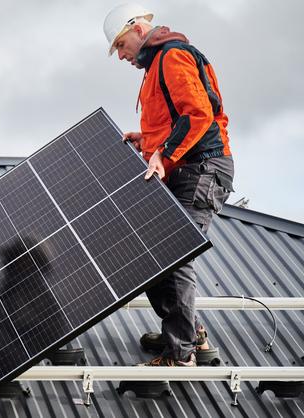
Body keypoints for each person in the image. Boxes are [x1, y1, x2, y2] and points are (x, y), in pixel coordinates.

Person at [104, 4, 235, 366]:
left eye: (120, 46)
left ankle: (181, 353)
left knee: (174, 255)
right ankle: (191, 333)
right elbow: (172, 120)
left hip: (201, 169)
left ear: (136, 28)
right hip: (185, 167)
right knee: (153, 256)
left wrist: (162, 153)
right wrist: (147, 140)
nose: (122, 56)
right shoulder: (155, 65)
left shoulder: (173, 55)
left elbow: (197, 114)